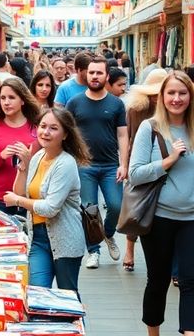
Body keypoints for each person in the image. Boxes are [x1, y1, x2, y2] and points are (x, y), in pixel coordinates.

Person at [129, 71, 194, 336]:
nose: (177, 98)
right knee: (157, 280)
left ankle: (190, 332)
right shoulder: (151, 128)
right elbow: (135, 173)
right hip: (158, 218)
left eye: (182, 93)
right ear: (162, 97)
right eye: (171, 93)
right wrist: (168, 161)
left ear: (191, 98)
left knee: (191, 281)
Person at [4, 107, 90, 293]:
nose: (46, 132)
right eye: (43, 126)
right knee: (37, 294)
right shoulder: (38, 156)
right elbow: (20, 192)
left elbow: (50, 208)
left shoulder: (65, 163)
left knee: (67, 297)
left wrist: (18, 201)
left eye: (53, 128)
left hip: (65, 239)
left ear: (65, 134)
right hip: (38, 238)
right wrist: (24, 168)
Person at [66, 59, 129, 268]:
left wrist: (124, 164)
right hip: (84, 166)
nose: (94, 76)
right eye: (91, 72)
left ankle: (108, 234)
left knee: (116, 206)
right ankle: (93, 251)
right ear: (87, 75)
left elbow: (122, 135)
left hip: (111, 165)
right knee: (89, 209)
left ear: (106, 76)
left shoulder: (116, 104)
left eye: (99, 73)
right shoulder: (74, 103)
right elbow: (66, 133)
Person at [120, 69, 169, 271]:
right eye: (153, 94)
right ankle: (130, 250)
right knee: (135, 206)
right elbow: (128, 137)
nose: (157, 98)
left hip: (165, 162)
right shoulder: (136, 109)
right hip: (138, 162)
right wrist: (125, 165)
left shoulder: (171, 108)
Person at [0, 78, 41, 214]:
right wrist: (1, 156)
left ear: (22, 100)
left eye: (11, 97)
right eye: (3, 98)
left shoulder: (37, 127)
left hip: (29, 199)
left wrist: (29, 159)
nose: (6, 102)